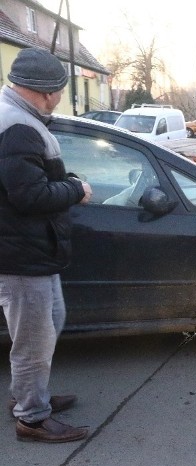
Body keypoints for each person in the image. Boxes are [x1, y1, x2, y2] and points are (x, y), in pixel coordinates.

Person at [0, 47, 92, 442]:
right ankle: (32, 418)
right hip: (21, 255)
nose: (59, 97)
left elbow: (27, 179)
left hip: (31, 252)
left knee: (49, 323)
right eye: (59, 90)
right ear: (48, 91)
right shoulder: (18, 126)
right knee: (34, 342)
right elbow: (29, 196)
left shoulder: (19, 120)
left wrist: (63, 179)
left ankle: (27, 395)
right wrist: (75, 187)